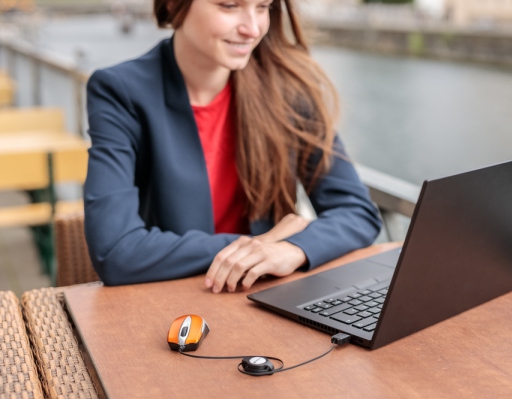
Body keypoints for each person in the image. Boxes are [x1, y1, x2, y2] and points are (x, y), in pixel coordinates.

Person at [84, 0, 382, 292]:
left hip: (265, 298)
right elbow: (115, 251)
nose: (252, 29)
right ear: (175, 5)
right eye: (229, 6)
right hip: (173, 301)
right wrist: (262, 245)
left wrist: (293, 250)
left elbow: (357, 212)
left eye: (263, 7)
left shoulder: (288, 89)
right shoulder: (120, 91)